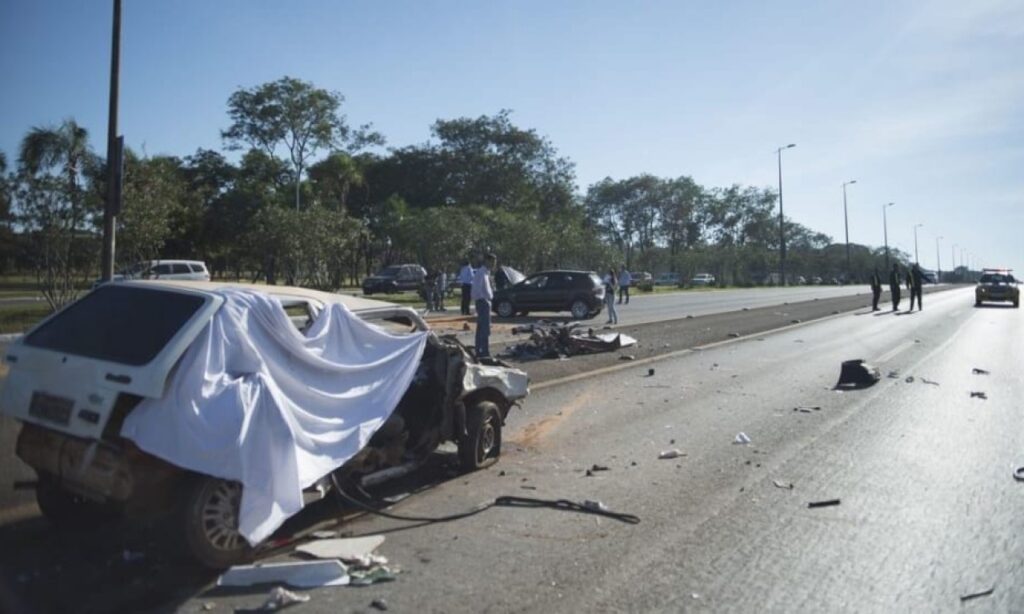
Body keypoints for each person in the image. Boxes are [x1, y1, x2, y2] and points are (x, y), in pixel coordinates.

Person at [471, 253, 496, 358]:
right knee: (484, 328)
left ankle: (480, 350)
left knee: (482, 327)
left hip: (486, 301)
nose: (494, 264)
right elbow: (476, 290)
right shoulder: (481, 273)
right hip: (482, 302)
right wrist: (483, 300)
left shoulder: (487, 273)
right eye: (493, 261)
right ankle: (484, 352)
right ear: (487, 261)